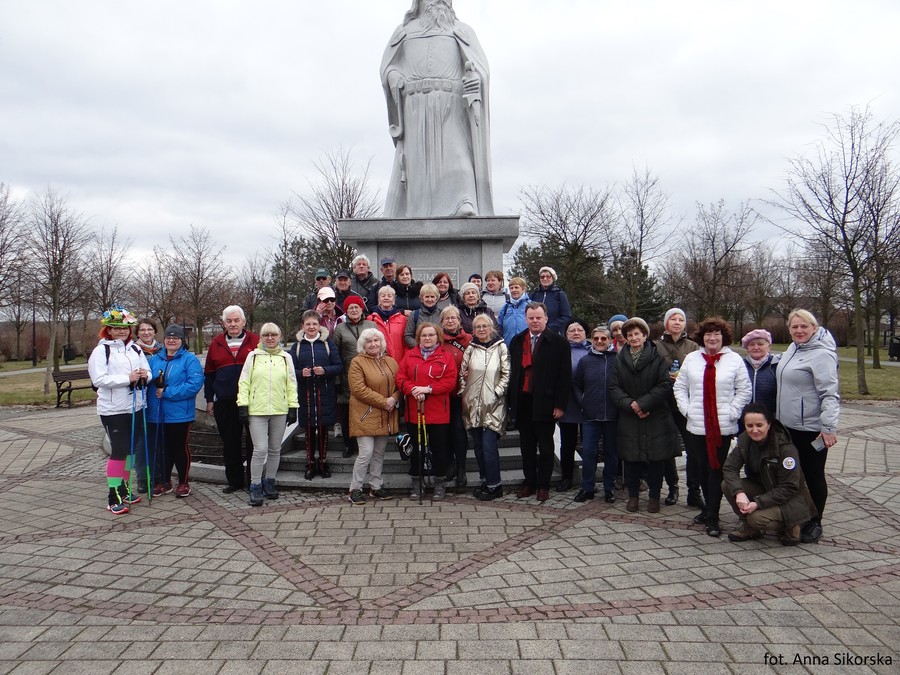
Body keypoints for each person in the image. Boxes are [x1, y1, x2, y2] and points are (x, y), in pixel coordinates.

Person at [381, 0, 493, 218]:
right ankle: (416, 215)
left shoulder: (462, 32)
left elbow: (481, 71)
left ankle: (463, 200)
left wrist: (475, 81)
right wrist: (394, 77)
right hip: (416, 108)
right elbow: (387, 67)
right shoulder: (404, 32)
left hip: (452, 108)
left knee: (458, 160)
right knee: (417, 171)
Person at [674, 317, 752, 537]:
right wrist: (687, 409)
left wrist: (732, 412)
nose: (712, 338)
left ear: (723, 337)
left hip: (721, 426)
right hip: (697, 425)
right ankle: (708, 508)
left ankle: (713, 516)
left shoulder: (734, 360)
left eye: (717, 334)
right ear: (702, 337)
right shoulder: (692, 359)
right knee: (700, 469)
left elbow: (744, 390)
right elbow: (680, 387)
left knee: (715, 470)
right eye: (708, 334)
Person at [775, 309, 840, 544]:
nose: (799, 331)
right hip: (788, 427)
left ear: (814, 328)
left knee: (813, 475)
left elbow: (830, 394)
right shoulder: (793, 349)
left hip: (811, 429)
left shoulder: (822, 355)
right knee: (793, 474)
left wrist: (829, 427)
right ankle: (797, 517)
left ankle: (816, 522)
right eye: (794, 327)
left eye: (804, 326)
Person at [722, 403, 818, 545]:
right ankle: (749, 528)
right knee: (727, 485)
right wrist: (739, 492)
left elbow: (789, 488)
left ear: (769, 425)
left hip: (790, 499)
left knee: (756, 519)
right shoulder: (744, 440)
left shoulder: (785, 449)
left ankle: (792, 525)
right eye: (750, 426)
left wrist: (758, 503)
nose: (754, 430)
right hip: (766, 489)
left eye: (759, 425)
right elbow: (729, 468)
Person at [609, 318, 678, 514]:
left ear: (645, 335)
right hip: (630, 415)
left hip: (655, 414)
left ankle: (654, 496)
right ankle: (633, 496)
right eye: (629, 335)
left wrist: (644, 403)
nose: (633, 337)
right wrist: (632, 405)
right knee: (631, 459)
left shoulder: (657, 357)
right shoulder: (620, 359)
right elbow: (614, 387)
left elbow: (664, 384)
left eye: (637, 334)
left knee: (656, 459)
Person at [508, 302, 572, 502]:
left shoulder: (559, 343)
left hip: (546, 402)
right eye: (531, 318)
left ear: (546, 318)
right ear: (526, 319)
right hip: (524, 402)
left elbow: (564, 376)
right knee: (526, 447)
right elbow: (514, 374)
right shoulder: (517, 341)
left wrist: (560, 405)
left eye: (538, 317)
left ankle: (543, 485)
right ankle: (530, 482)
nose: (534, 321)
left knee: (545, 447)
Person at [88, 306, 149, 515]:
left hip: (136, 406)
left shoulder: (135, 349)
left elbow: (147, 372)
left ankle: (124, 488)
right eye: (117, 328)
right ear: (109, 330)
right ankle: (113, 496)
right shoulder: (101, 351)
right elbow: (99, 380)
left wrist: (144, 375)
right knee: (119, 451)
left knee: (130, 451)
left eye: (125, 328)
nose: (122, 332)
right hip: (113, 409)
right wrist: (127, 379)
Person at [237, 323, 299, 506]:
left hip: (279, 409)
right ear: (261, 337)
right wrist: (243, 405)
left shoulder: (286, 357)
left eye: (273, 335)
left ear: (279, 336)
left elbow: (291, 383)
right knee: (260, 449)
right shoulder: (253, 356)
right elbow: (244, 382)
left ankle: (269, 482)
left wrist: (293, 406)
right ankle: (255, 484)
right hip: (257, 410)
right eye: (266, 335)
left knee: (274, 448)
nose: (270, 338)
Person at [397, 322, 458, 500]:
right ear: (418, 338)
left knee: (439, 449)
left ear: (437, 337)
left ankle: (440, 483)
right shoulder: (410, 356)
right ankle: (417, 482)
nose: (427, 338)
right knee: (416, 449)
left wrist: (429, 389)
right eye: (424, 335)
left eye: (431, 335)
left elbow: (450, 381)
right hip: (415, 411)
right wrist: (413, 389)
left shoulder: (446, 357)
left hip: (438, 412)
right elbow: (400, 378)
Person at [204, 305, 259, 494]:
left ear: (244, 322)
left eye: (237, 320)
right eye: (229, 321)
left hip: (252, 402)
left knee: (254, 443)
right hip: (225, 402)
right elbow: (209, 374)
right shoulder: (216, 343)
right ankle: (234, 481)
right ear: (224, 323)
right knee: (230, 442)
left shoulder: (256, 341)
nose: (233, 324)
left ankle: (254, 481)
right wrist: (209, 399)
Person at [147, 324, 204, 498]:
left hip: (180, 414)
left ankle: (183, 482)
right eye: (168, 338)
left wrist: (168, 392)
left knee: (179, 448)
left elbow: (194, 384)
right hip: (157, 413)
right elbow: (148, 381)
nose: (171, 341)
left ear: (182, 340)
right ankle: (164, 481)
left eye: (176, 338)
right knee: (162, 449)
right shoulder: (155, 359)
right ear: (163, 340)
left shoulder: (189, 359)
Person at [347, 328, 402, 505]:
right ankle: (355, 489)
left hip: (386, 414)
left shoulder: (391, 361)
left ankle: (376, 486)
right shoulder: (357, 362)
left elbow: (400, 384)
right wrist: (384, 401)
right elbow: (358, 389)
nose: (373, 344)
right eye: (369, 341)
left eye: (376, 340)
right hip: (365, 414)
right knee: (366, 453)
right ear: (363, 344)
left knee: (379, 453)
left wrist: (394, 398)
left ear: (381, 343)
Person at [654, 307, 701, 508]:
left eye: (680, 319)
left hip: (687, 404)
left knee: (694, 449)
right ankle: (673, 487)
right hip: (664, 404)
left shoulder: (693, 346)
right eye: (672, 319)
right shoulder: (656, 346)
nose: (676, 322)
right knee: (667, 449)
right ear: (666, 323)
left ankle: (694, 491)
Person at [458, 314, 510, 500]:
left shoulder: (501, 347)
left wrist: (497, 393)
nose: (481, 329)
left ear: (491, 327)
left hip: (493, 405)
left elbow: (506, 373)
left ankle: (495, 485)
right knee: (479, 446)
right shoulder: (471, 348)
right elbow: (462, 373)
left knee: (489, 445)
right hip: (473, 405)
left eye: (484, 326)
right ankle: (485, 481)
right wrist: (464, 394)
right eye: (477, 327)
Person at [290, 310, 342, 480]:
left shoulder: (327, 343)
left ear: (319, 325)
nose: (311, 327)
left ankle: (323, 462)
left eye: (314, 324)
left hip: (324, 393)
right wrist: (300, 373)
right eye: (308, 324)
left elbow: (338, 366)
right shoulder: (296, 346)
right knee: (310, 429)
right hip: (305, 393)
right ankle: (311, 463)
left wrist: (325, 371)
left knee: (323, 428)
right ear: (302, 326)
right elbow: (289, 370)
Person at [573, 326, 619, 503]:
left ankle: (609, 488)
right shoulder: (585, 361)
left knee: (611, 453)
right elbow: (576, 384)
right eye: (596, 338)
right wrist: (582, 401)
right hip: (590, 415)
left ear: (609, 340)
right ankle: (587, 488)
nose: (599, 342)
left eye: (603, 339)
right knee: (589, 452)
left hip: (612, 415)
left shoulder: (617, 360)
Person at [332, 296, 377, 459]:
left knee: (367, 411)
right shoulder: (340, 329)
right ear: (346, 310)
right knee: (347, 414)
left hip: (370, 374)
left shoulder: (371, 325)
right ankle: (348, 444)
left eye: (356, 307)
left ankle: (366, 445)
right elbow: (335, 355)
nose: (354, 310)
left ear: (361, 308)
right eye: (350, 308)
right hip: (347, 376)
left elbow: (379, 346)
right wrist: (337, 380)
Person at [557, 320, 591, 492]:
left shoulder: (593, 350)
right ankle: (567, 477)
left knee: (589, 444)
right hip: (568, 402)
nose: (576, 332)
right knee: (568, 443)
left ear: (585, 333)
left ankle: (588, 479)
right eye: (572, 330)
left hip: (589, 403)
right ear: (566, 334)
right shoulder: (562, 351)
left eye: (580, 330)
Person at [440, 305, 472, 487]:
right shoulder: (437, 339)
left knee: (459, 431)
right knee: (444, 432)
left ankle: (461, 468)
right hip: (442, 394)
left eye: (454, 318)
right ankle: (450, 465)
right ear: (442, 322)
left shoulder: (468, 339)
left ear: (460, 321)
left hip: (461, 394)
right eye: (447, 318)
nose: (451, 321)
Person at [133, 317, 163, 491]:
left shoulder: (162, 349)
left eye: (149, 329)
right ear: (137, 333)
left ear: (154, 331)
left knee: (158, 440)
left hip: (158, 399)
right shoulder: (133, 350)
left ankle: (158, 475)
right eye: (142, 330)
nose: (146, 332)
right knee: (142, 442)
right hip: (140, 401)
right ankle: (143, 477)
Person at [741, 328, 779, 420]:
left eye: (760, 344)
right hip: (743, 420)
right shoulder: (740, 366)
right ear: (747, 348)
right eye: (751, 344)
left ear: (769, 346)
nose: (756, 347)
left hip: (770, 419)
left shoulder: (776, 366)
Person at [368, 285, 408, 363]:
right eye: (383, 296)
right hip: (378, 362)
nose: (386, 298)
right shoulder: (371, 319)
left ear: (393, 300)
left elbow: (405, 343)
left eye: (389, 296)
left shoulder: (402, 319)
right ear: (379, 299)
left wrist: (405, 361)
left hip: (398, 361)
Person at [530, 267, 571, 335]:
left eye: (548, 276)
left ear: (552, 278)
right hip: (536, 333)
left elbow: (566, 316)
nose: (545, 279)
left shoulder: (560, 294)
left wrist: (549, 327)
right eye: (542, 277)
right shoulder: (533, 294)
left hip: (554, 334)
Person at [404, 282, 442, 347]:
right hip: (420, 353)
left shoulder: (442, 314)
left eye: (432, 297)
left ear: (437, 298)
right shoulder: (414, 315)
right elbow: (408, 336)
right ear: (421, 298)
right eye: (427, 297)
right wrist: (419, 347)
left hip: (440, 352)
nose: (430, 299)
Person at [497, 276, 530, 345]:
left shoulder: (530, 306)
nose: (514, 290)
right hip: (509, 345)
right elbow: (499, 326)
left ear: (523, 289)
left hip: (526, 345)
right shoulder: (505, 307)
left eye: (516, 287)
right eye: (511, 288)